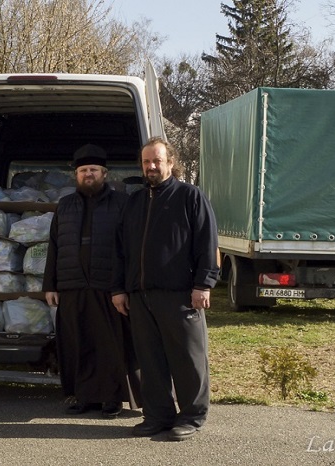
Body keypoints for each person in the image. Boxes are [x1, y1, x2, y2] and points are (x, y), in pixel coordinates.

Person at [112, 137, 219, 441]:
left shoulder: (190, 197)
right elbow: (120, 250)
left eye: (157, 160)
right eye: (146, 162)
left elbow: (207, 244)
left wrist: (204, 284)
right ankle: (157, 416)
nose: (151, 167)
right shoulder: (133, 202)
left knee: (188, 359)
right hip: (140, 296)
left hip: (181, 295)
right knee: (151, 361)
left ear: (171, 162)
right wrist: (118, 289)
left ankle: (192, 417)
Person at [43, 144, 141, 419]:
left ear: (104, 173)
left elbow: (129, 248)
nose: (88, 174)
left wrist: (125, 286)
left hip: (107, 286)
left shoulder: (122, 203)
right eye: (83, 170)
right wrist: (50, 284)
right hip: (72, 286)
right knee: (77, 344)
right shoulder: (65, 205)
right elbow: (54, 245)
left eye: (93, 170)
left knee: (109, 345)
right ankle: (83, 397)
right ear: (76, 174)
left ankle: (111, 399)